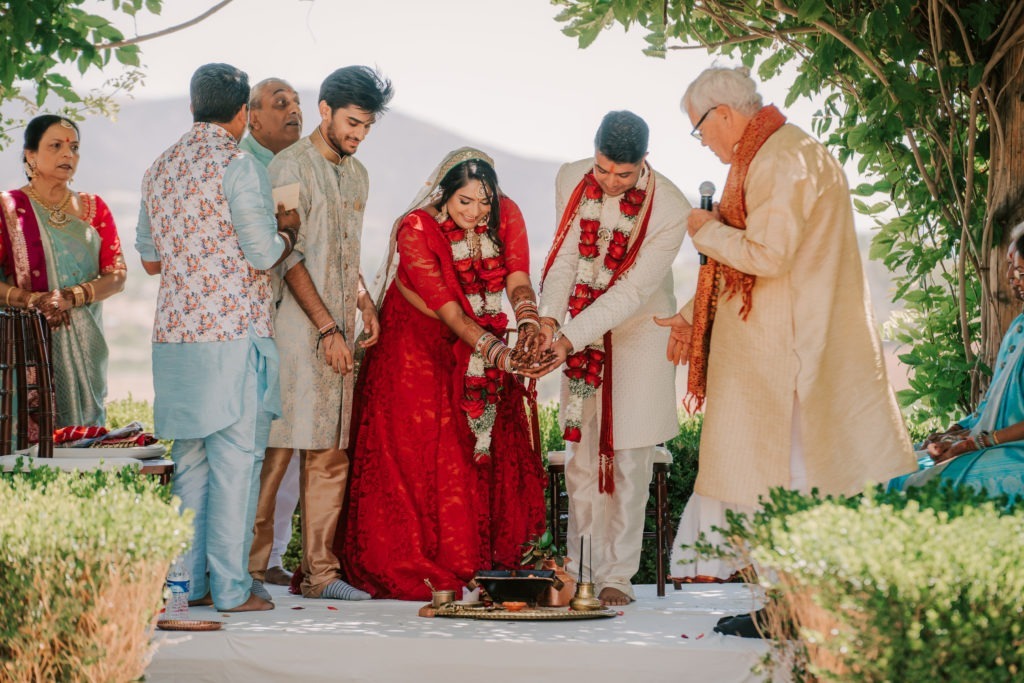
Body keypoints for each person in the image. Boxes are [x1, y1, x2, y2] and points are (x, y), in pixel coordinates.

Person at [654, 67, 916, 634]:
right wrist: (697, 314)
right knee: (785, 476)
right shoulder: (783, 149)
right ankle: (792, 604)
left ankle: (799, 608)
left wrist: (704, 229)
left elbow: (768, 256)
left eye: (700, 130)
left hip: (790, 357)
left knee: (785, 477)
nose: (704, 142)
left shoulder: (777, 158)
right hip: (785, 350)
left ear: (723, 114)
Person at [340, 147, 547, 600]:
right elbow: (451, 312)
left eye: (484, 202)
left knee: (479, 441)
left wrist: (528, 319)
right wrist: (504, 357)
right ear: (444, 196)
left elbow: (516, 273)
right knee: (421, 449)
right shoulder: (416, 229)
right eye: (464, 203)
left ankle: (479, 560)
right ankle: (434, 560)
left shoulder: (504, 211)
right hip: (413, 350)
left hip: (477, 343)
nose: (477, 212)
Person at [136, 63, 298, 612]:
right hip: (233, 335)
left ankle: (188, 586)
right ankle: (230, 589)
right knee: (237, 464)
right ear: (240, 115)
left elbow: (151, 260)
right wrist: (288, 231)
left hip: (177, 338)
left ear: (191, 107)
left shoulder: (159, 168)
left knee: (192, 466)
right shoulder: (238, 166)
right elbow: (261, 252)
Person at [528, 112, 689, 606]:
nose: (612, 183)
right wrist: (551, 322)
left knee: (629, 458)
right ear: (593, 152)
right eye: (603, 170)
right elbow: (565, 261)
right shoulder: (571, 178)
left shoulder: (671, 207)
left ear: (645, 161)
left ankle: (618, 574)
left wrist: (567, 339)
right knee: (581, 456)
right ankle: (581, 572)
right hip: (578, 326)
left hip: (641, 330)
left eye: (624, 174)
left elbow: (633, 291)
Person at [267, 65, 392, 601]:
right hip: (296, 332)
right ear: (325, 110)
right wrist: (325, 328)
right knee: (277, 450)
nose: (358, 135)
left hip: (339, 330)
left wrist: (363, 299)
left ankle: (321, 575)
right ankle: (246, 573)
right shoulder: (288, 167)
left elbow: (342, 249)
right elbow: (287, 255)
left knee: (330, 453)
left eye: (365, 127)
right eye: (352, 123)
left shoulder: (358, 174)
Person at [0, 115, 127, 429]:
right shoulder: (8, 209)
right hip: (25, 340)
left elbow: (117, 275)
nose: (68, 155)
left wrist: (71, 296)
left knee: (84, 433)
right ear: (31, 154)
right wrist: (31, 299)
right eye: (55, 146)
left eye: (74, 147)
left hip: (85, 339)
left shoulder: (95, 207)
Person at [889, 226, 1024, 498]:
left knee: (922, 484)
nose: (1010, 275)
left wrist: (978, 442)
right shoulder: (1019, 328)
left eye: (1019, 268)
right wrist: (957, 431)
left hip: (1014, 452)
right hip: (995, 443)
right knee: (899, 466)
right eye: (1010, 266)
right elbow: (992, 404)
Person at [241, 77, 304, 591]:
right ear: (251, 116)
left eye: (298, 103)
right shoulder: (243, 167)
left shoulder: (296, 167)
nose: (294, 111)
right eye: (280, 103)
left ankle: (273, 554)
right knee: (255, 446)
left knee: (291, 442)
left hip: (296, 323)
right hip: (248, 325)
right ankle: (242, 558)